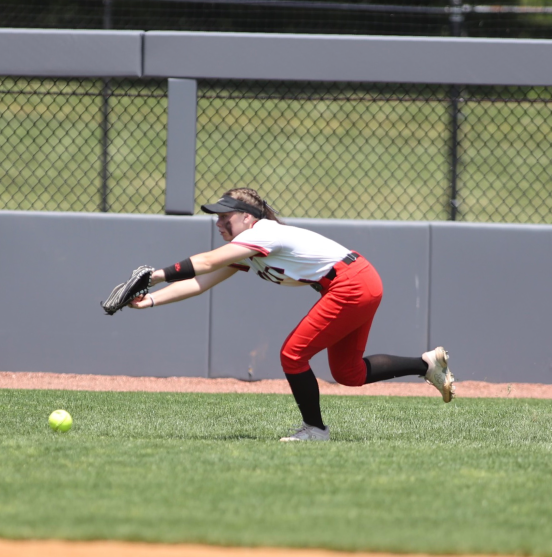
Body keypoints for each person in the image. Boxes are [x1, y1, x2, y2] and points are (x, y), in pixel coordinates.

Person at [128, 187, 455, 442]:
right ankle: (426, 365)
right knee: (348, 373)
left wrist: (155, 275)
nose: (218, 222)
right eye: (217, 217)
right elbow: (201, 282)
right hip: (356, 280)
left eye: (225, 216)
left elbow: (207, 261)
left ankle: (315, 429)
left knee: (293, 354)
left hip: (351, 283)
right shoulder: (250, 244)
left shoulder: (262, 232)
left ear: (247, 217)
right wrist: (151, 300)